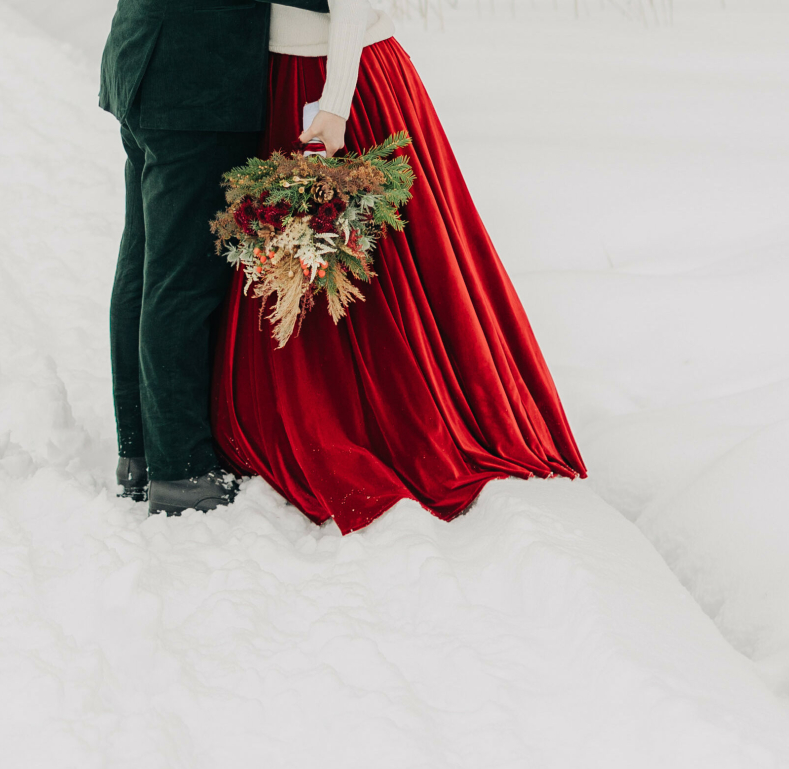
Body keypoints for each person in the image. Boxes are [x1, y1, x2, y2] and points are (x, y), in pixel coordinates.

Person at [210, 0, 588, 533]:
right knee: (296, 252)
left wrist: (335, 102)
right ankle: (312, 404)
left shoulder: (334, 92)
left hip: (338, 82)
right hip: (285, 73)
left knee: (377, 256)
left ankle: (392, 415)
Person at [99, 0, 330, 515]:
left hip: (147, 57)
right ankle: (181, 469)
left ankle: (140, 450)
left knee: (145, 266)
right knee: (179, 281)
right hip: (193, 82)